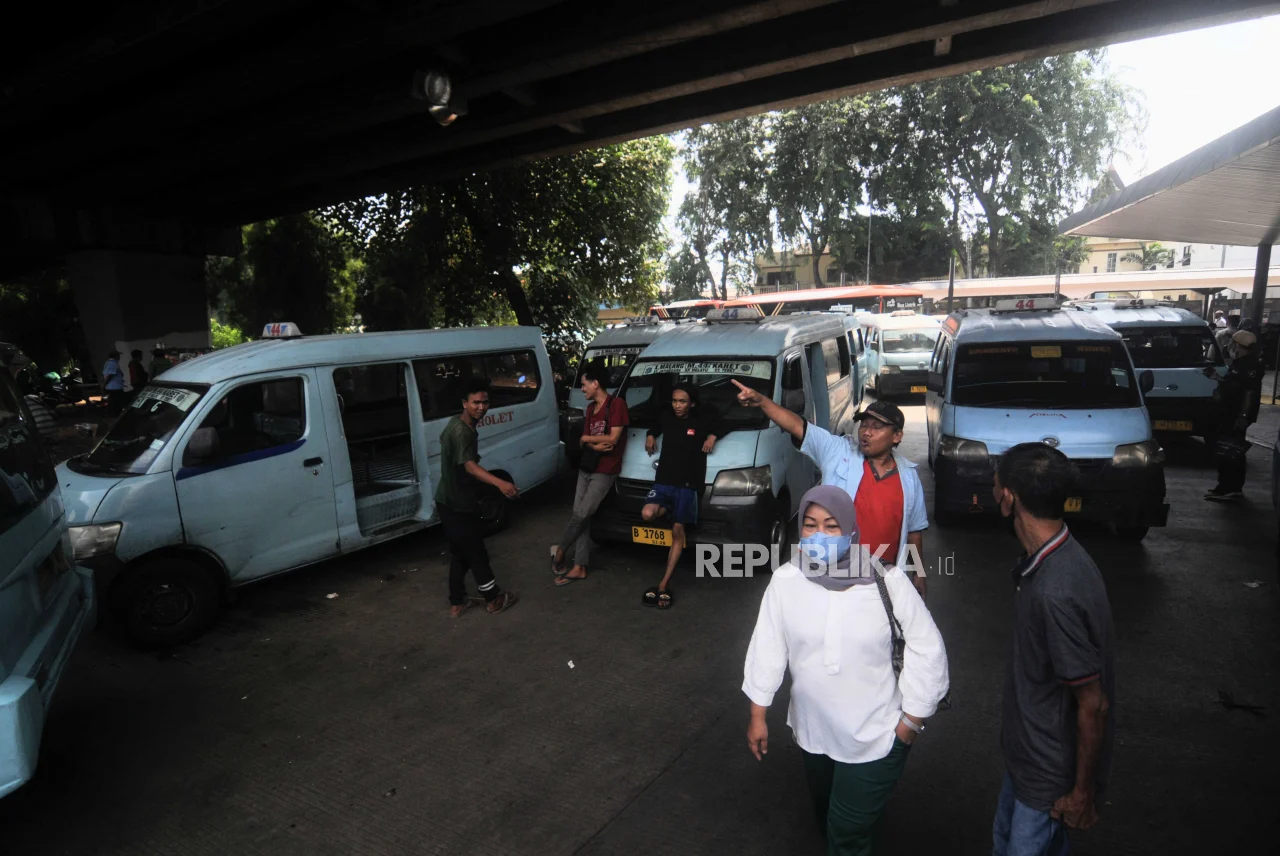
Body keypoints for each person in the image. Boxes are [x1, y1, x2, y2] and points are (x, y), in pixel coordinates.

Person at [743, 485, 949, 855]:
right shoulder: (787, 580)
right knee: (827, 816)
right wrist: (758, 713)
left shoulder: (886, 580)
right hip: (813, 729)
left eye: (831, 526)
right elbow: (768, 645)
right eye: (809, 525)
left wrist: (911, 722)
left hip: (876, 733)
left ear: (851, 530)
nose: (818, 535)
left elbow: (927, 647)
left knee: (846, 831)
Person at [991, 443, 1115, 856]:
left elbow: (1092, 703)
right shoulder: (1056, 557)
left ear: (1008, 498)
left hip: (1046, 777)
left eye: (997, 482)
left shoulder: (1054, 590)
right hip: (1028, 761)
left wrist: (1081, 792)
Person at [733, 382, 929, 600]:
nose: (866, 432)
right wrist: (761, 401)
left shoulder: (909, 477)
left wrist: (919, 572)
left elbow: (914, 531)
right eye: (864, 424)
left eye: (877, 427)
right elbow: (797, 425)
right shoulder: (837, 451)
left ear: (897, 436)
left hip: (882, 580)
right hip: (832, 573)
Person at [435, 377, 519, 617]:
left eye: (485, 402)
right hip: (457, 504)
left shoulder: (455, 424)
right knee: (476, 552)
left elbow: (444, 440)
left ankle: (457, 602)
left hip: (448, 500)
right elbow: (470, 466)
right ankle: (493, 599)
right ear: (465, 403)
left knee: (461, 552)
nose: (481, 407)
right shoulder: (464, 433)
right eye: (476, 403)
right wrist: (500, 483)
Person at [641, 383, 721, 609]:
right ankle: (669, 511)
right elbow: (655, 424)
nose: (677, 405)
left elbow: (723, 421)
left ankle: (664, 583)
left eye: (682, 401)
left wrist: (713, 435)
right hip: (665, 481)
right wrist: (650, 434)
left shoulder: (702, 420)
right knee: (647, 513)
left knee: (678, 533)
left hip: (688, 485)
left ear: (692, 403)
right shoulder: (666, 416)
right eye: (675, 401)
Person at [552, 362, 629, 586]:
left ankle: (561, 550)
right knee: (581, 515)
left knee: (583, 514)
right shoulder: (589, 409)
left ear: (596, 384)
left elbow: (613, 440)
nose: (582, 389)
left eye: (585, 385)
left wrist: (588, 440)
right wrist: (592, 444)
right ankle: (579, 567)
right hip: (588, 467)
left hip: (605, 470)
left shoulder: (616, 405)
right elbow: (583, 439)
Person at [1203, 329, 1265, 501]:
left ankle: (1230, 488)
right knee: (1228, 450)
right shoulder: (1240, 364)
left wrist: (1243, 416)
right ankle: (1226, 487)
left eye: (1233, 343)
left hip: (1235, 415)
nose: (1230, 346)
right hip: (1229, 413)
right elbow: (1233, 385)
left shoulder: (1249, 366)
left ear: (1239, 346)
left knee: (1231, 452)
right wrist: (1216, 377)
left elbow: (1248, 393)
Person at [101, 350, 125, 415]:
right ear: (116, 356)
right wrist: (104, 385)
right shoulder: (112, 363)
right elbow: (109, 375)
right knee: (116, 404)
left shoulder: (109, 363)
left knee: (114, 403)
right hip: (115, 388)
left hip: (113, 387)